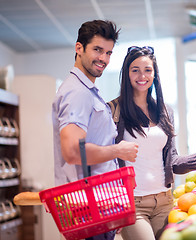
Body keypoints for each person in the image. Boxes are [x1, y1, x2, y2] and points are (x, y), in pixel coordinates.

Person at [107, 46, 196, 240]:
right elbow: (105, 162)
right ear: (126, 74)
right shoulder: (113, 111)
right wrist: (111, 204)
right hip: (131, 204)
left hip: (165, 201)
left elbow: (172, 162)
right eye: (135, 70)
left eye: (147, 70)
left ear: (155, 74)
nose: (141, 75)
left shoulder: (164, 111)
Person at [52, 20, 139, 240]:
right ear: (78, 48)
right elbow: (72, 151)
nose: (104, 59)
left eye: (108, 52)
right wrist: (118, 150)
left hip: (100, 203)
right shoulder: (77, 93)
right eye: (97, 50)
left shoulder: (88, 91)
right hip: (86, 206)